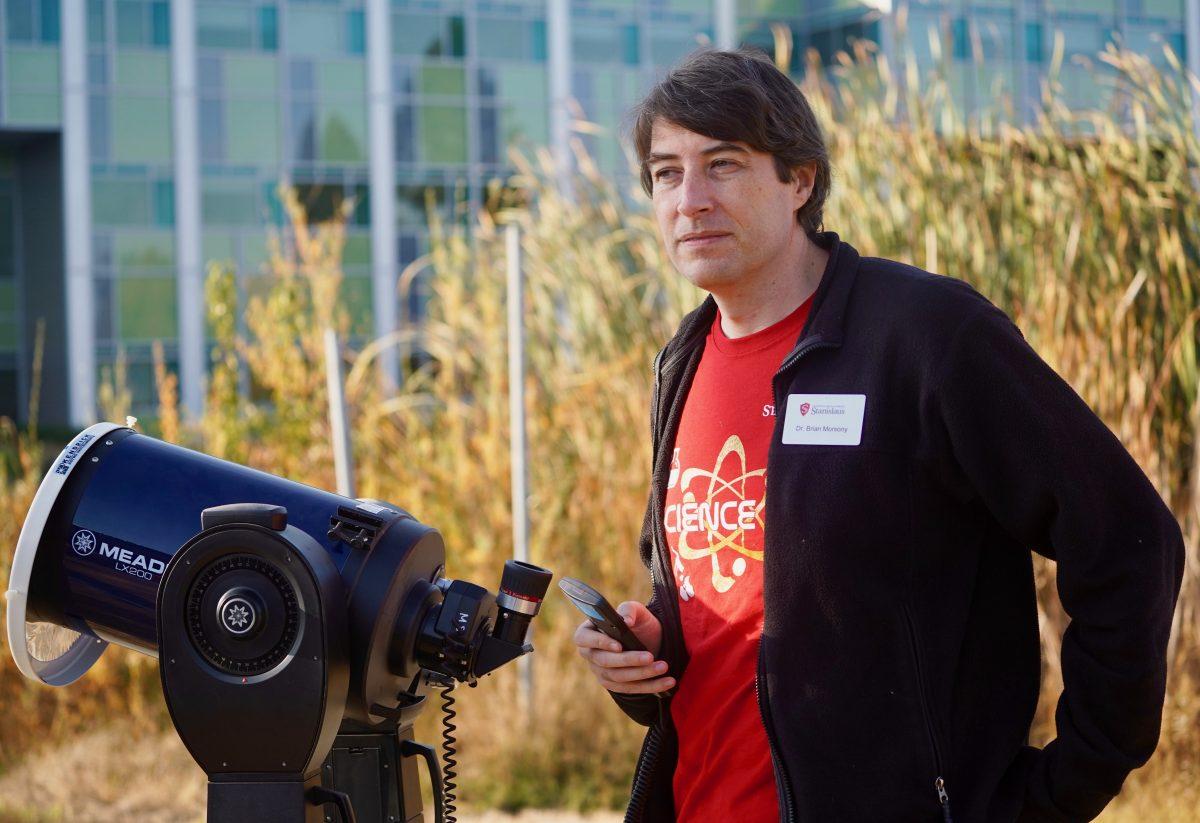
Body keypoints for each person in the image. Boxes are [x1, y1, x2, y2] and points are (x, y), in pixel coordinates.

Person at [571, 48, 1185, 823]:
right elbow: (726, 607)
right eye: (665, 173)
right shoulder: (682, 363)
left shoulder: (927, 337)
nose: (689, 199)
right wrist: (646, 658)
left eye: (722, 164)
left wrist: (1062, 786)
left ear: (800, 180)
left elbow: (1129, 538)